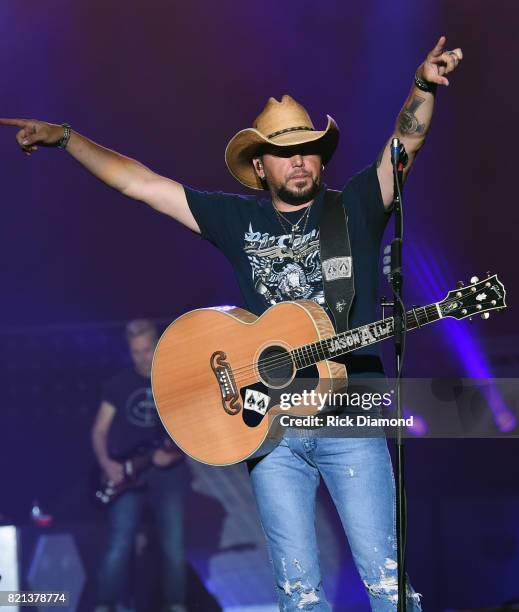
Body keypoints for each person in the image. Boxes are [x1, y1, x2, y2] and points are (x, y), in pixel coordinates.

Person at [1, 35, 462, 610]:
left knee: (388, 586)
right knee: (297, 595)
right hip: (269, 426)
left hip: (352, 415)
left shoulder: (358, 206)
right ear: (259, 166)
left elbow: (406, 144)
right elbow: (139, 183)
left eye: (309, 148)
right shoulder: (235, 218)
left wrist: (421, 85)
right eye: (283, 150)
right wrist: (68, 138)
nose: (298, 159)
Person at [91, 319, 188, 612]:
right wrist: (108, 464)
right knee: (119, 543)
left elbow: (190, 433)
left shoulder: (173, 381)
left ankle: (176, 605)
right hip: (127, 475)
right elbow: (99, 430)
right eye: (136, 351)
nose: (143, 357)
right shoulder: (119, 383)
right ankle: (104, 605)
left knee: (174, 547)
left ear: (157, 344)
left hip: (167, 475)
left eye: (147, 350)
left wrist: (172, 456)